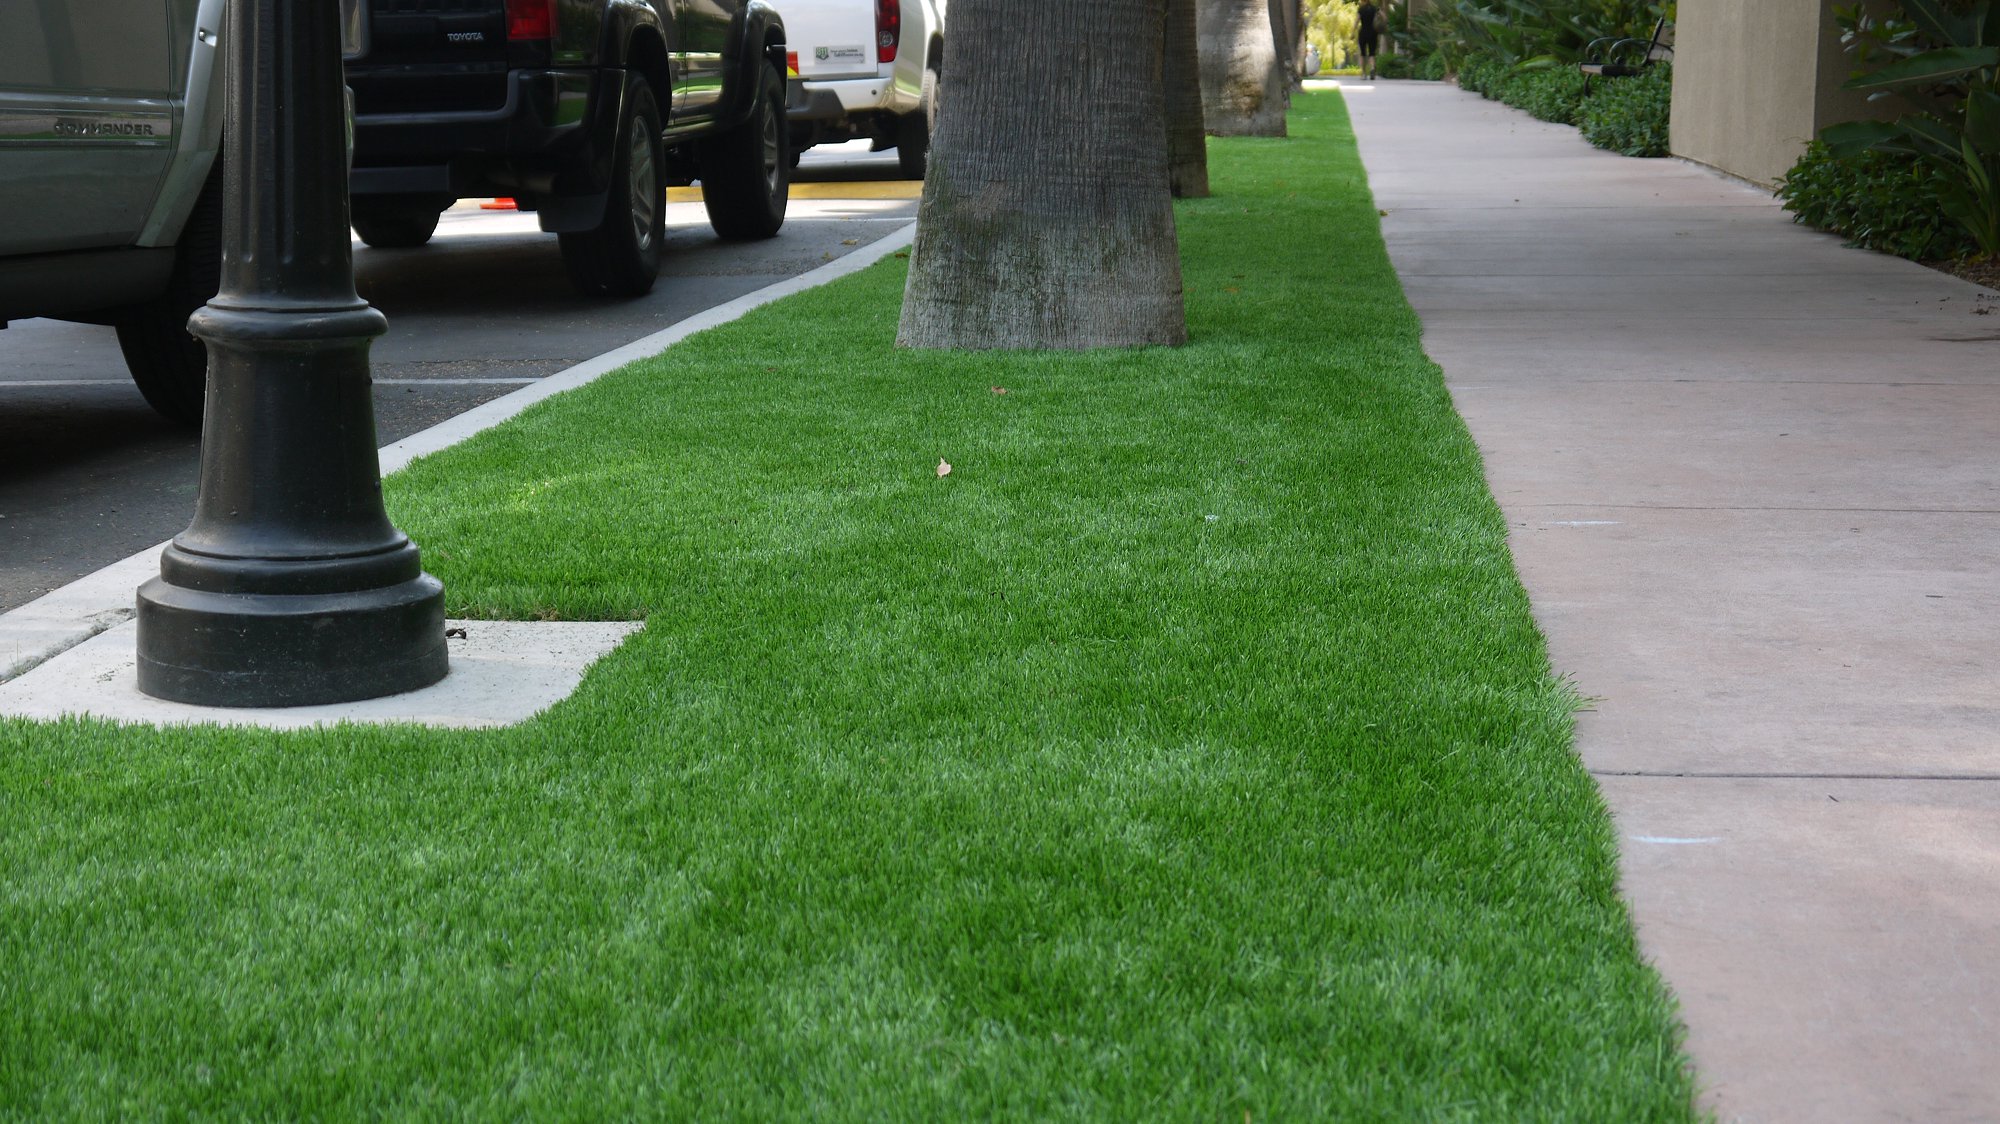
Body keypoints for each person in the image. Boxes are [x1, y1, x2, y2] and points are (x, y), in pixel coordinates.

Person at [1356, 1, 1381, 81]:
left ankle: (1363, 74)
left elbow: (1356, 21)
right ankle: (1372, 68)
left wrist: (1352, 32)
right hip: (1373, 32)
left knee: (1363, 54)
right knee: (1372, 54)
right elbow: (1384, 17)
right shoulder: (1374, 8)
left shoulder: (1361, 9)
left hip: (1363, 33)